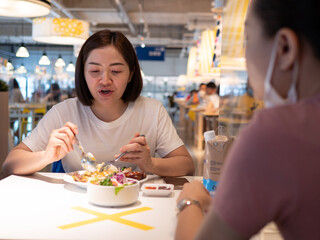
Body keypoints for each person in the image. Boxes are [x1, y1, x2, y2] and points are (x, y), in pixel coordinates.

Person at [175, 0, 320, 239]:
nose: (244, 54)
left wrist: (190, 201)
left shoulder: (278, 133)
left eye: (248, 39)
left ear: (284, 48)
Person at [2, 30, 194, 177]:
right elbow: (10, 164)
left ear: (131, 74)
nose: (105, 80)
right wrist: (46, 156)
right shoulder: (63, 112)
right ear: (83, 74)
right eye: (95, 71)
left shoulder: (152, 111)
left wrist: (151, 164)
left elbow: (186, 165)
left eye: (116, 71)